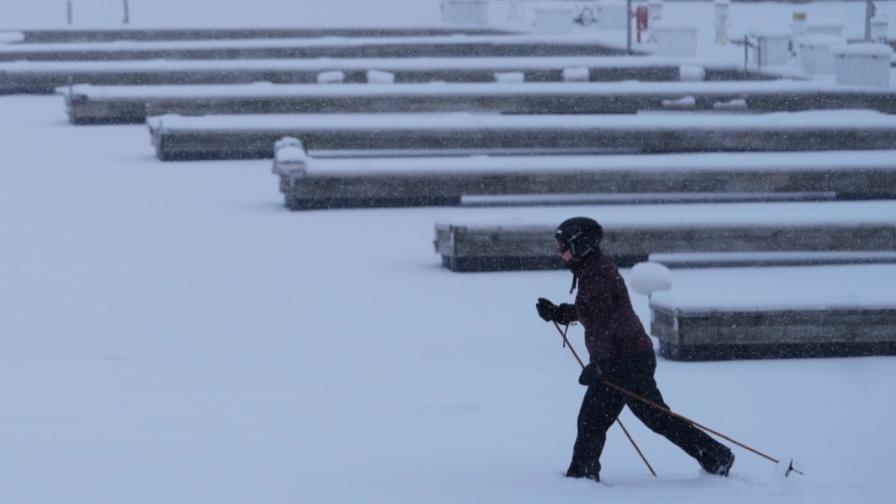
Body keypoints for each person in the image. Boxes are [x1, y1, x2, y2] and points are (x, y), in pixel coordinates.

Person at [535, 216, 734, 482]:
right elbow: (594, 314)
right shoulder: (591, 270)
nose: (560, 253)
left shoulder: (597, 275)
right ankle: (714, 455)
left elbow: (606, 325)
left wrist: (601, 366)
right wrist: (560, 313)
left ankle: (582, 477)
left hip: (626, 360)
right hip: (625, 359)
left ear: (580, 245)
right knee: (643, 418)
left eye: (563, 247)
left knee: (604, 420)